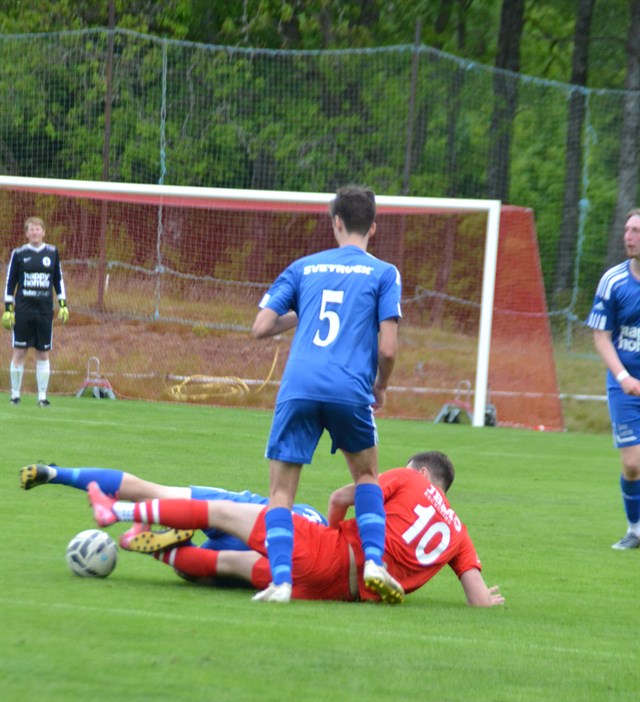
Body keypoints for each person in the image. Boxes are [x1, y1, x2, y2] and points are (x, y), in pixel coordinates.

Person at [86, 451, 505, 607]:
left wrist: (332, 534)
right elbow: (478, 599)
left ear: (423, 472)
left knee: (220, 512)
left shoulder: (410, 478)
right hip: (340, 593)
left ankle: (118, 511)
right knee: (229, 564)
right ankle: (156, 549)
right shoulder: (460, 535)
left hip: (326, 552)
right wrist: (490, 599)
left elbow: (340, 498)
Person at [251, 184, 402, 603]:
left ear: (335, 222)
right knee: (366, 476)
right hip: (349, 388)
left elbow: (261, 326)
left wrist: (303, 313)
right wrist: (380, 387)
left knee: (281, 492)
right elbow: (388, 349)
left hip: (299, 386)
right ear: (373, 227)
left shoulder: (303, 267)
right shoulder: (384, 273)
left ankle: (281, 582)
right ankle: (374, 562)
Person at [19, 462, 327, 554]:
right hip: (267, 549)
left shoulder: (317, 517)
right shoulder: (328, 547)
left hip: (244, 509)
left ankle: (57, 473)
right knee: (205, 569)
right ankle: (176, 548)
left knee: (151, 492)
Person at [586, 208, 640, 550]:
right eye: (627, 229)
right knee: (633, 464)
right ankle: (635, 530)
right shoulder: (613, 281)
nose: (629, 236)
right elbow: (601, 336)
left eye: (636, 231)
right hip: (625, 387)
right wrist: (623, 377)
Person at [3, 217, 69, 407]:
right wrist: (8, 308)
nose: (34, 232)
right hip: (23, 311)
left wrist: (63, 304)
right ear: (26, 233)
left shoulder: (52, 252)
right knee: (19, 352)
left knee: (43, 353)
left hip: (44, 311)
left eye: (38, 229)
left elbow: (58, 279)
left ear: (44, 232)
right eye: (31, 229)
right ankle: (15, 395)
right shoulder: (19, 253)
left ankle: (42, 397)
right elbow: (10, 282)